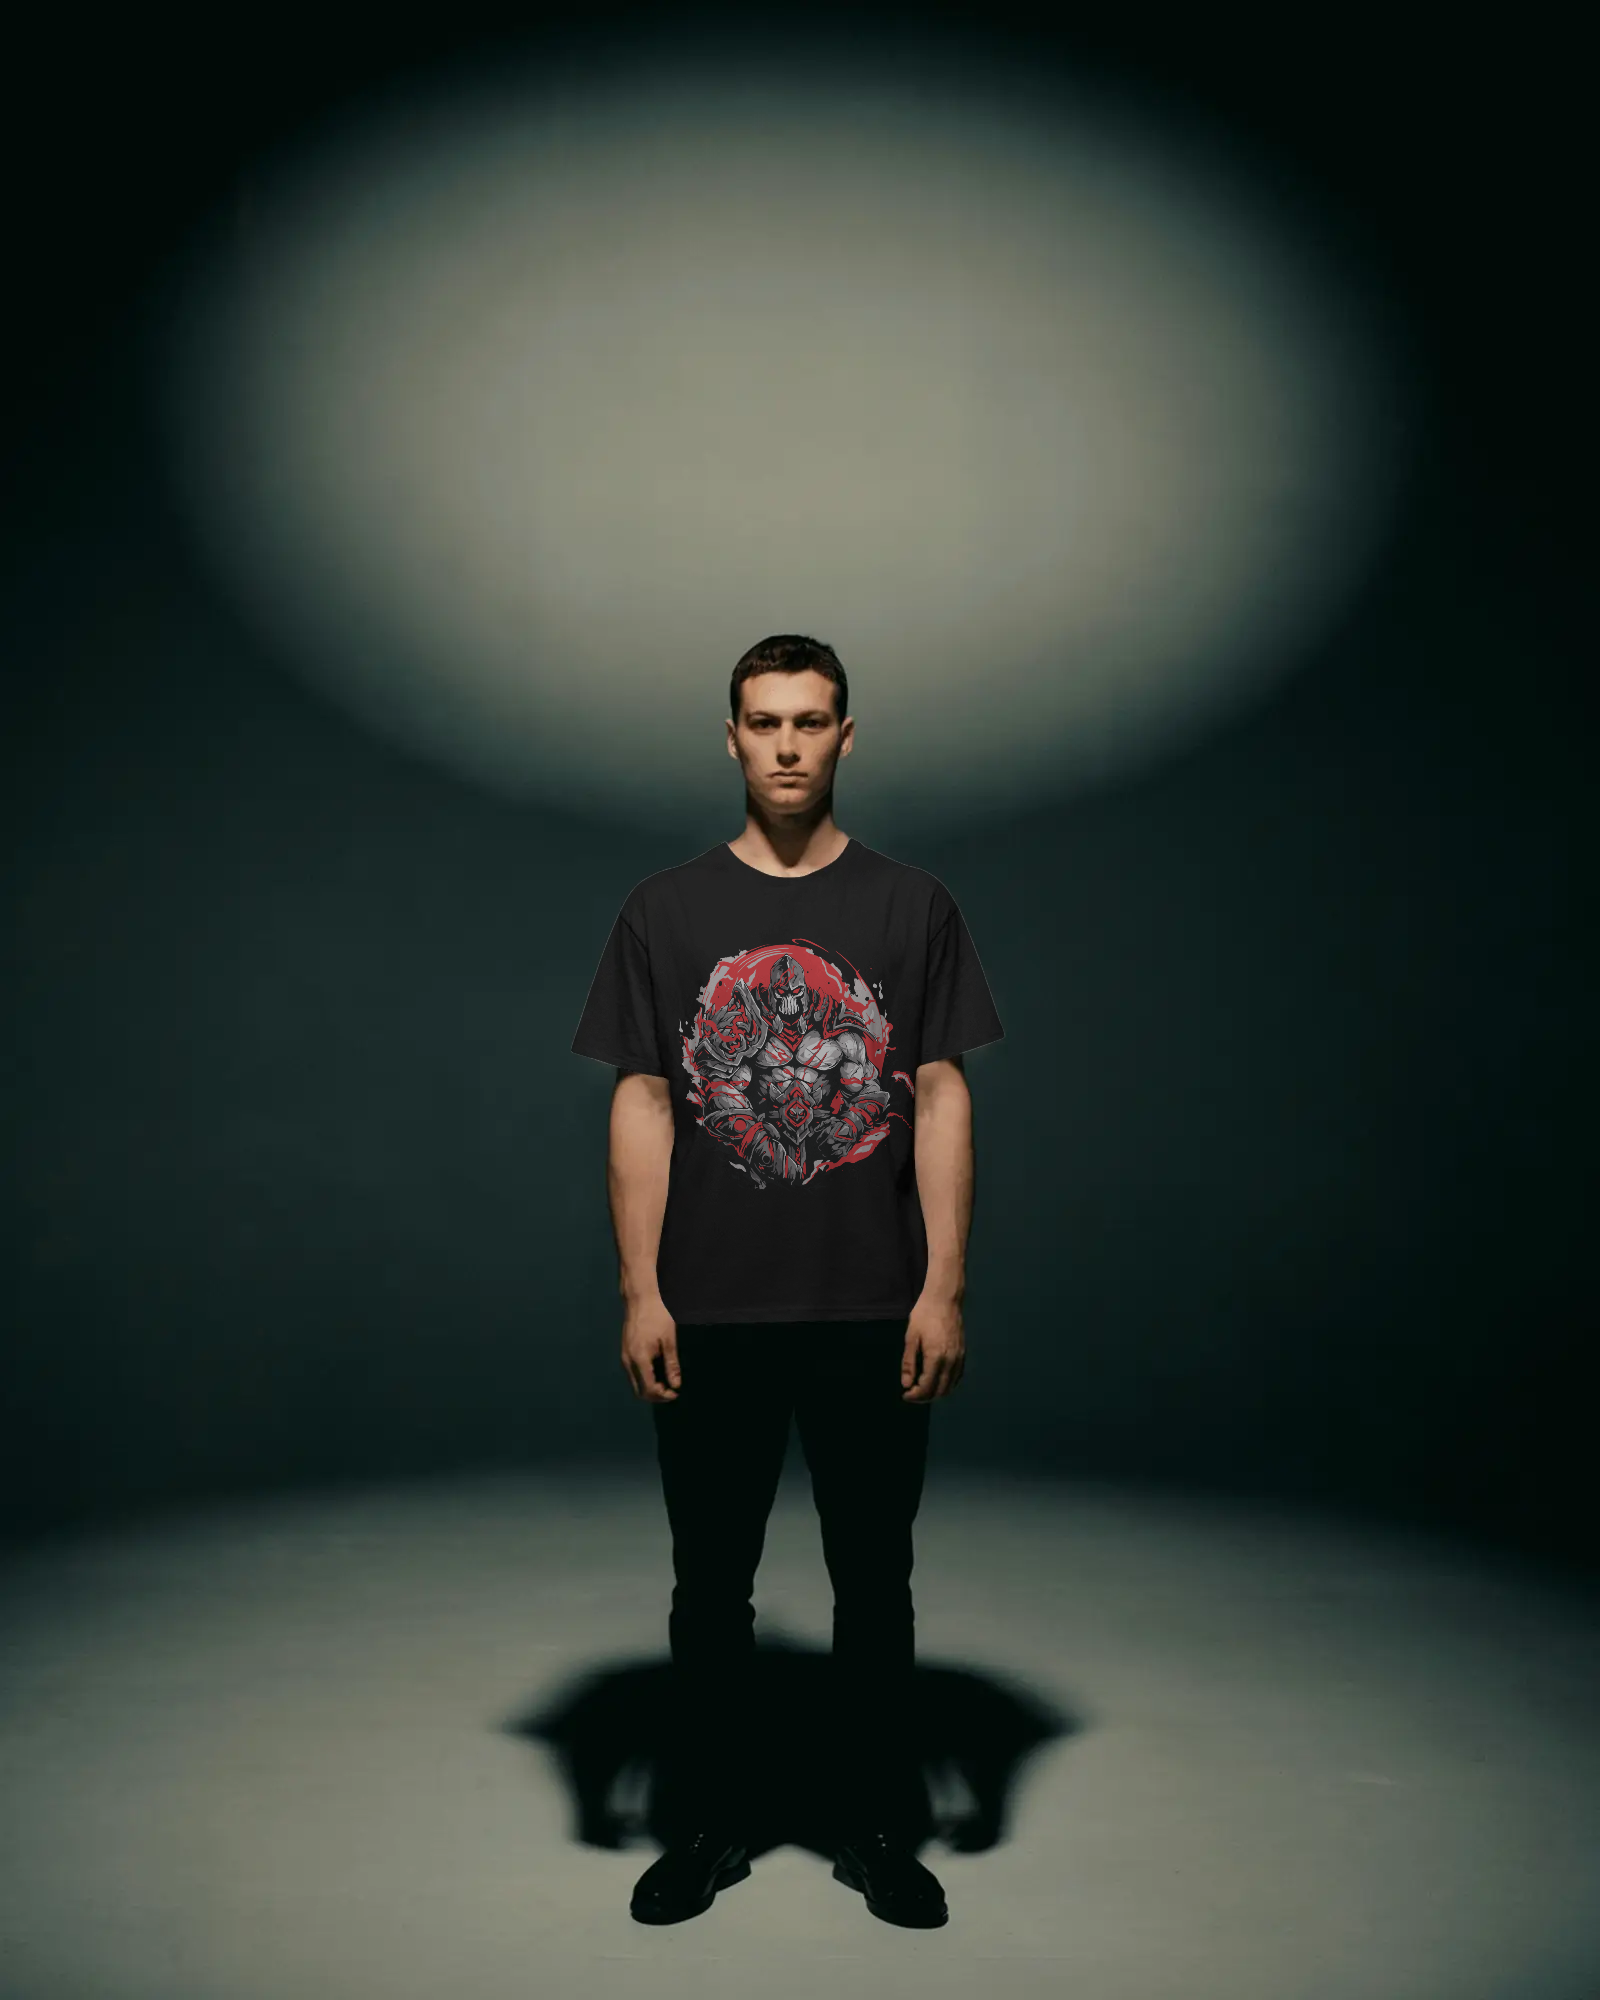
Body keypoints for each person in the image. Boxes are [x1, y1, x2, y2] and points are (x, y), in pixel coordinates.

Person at [569, 633, 1005, 1929]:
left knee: (877, 1580)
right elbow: (643, 1099)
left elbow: (940, 1094)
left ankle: (881, 1824)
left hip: (873, 1303)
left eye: (812, 721)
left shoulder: (910, 905)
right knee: (712, 1583)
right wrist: (643, 1290)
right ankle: (704, 1822)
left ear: (847, 736)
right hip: (713, 1305)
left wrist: (945, 1287)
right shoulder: (664, 909)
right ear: (732, 737)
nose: (789, 745)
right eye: (765, 722)